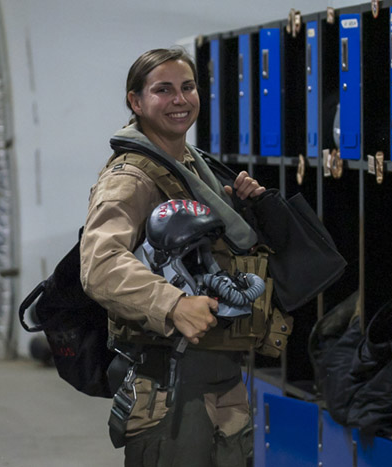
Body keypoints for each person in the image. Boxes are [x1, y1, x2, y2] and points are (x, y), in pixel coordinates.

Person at [80, 47, 275, 467]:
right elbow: (100, 264)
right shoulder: (130, 176)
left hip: (219, 378)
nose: (180, 100)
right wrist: (173, 304)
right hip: (169, 386)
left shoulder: (190, 165)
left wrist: (234, 205)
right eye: (163, 90)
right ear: (136, 101)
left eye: (187, 88)